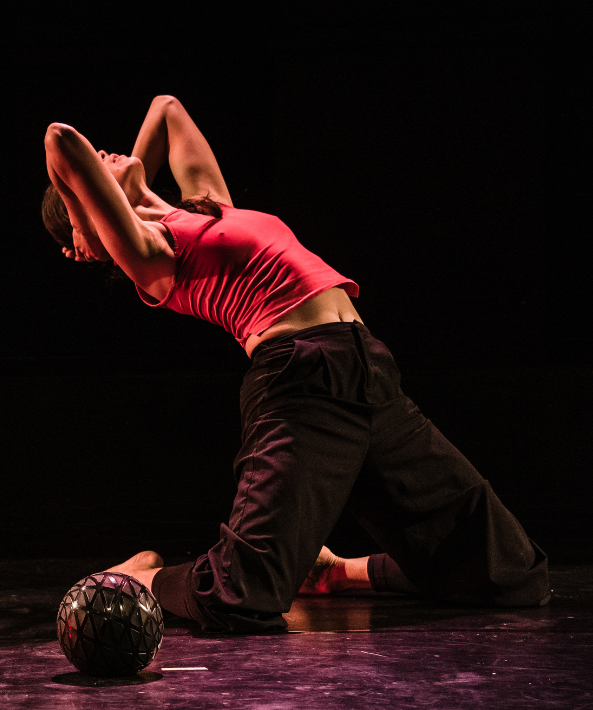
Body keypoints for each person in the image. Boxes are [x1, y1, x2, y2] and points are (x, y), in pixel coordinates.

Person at [42, 95, 550, 633]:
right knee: (240, 597)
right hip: (300, 380)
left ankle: (335, 573)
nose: (107, 151)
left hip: (369, 369)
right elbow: (60, 138)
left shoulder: (204, 206)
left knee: (512, 574)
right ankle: (138, 580)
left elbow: (167, 109)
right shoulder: (153, 255)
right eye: (97, 164)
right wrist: (85, 218)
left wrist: (120, 182)